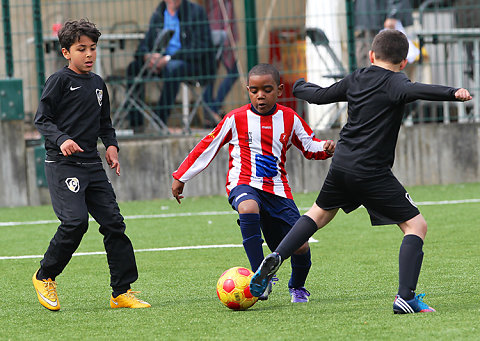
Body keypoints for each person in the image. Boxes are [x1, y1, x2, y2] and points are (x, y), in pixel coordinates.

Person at [250, 30, 472, 313]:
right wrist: (453, 92)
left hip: (341, 164)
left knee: (317, 214)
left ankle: (277, 256)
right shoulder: (397, 83)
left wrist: (299, 87)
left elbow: (319, 97)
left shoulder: (357, 77)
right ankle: (406, 297)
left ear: (371, 56)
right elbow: (418, 89)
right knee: (416, 226)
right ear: (403, 62)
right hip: (371, 172)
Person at [171, 63, 335, 303]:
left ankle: (297, 287)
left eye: (267, 89)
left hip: (278, 191)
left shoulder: (289, 118)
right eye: (254, 90)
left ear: (279, 90)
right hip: (244, 183)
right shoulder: (235, 118)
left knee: (301, 246)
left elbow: (310, 145)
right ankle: (261, 275)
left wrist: (325, 147)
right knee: (248, 207)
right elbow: (208, 145)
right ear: (247, 90)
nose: (260, 95)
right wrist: (181, 176)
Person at [33, 19, 150, 311]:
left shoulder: (98, 84)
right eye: (81, 48)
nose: (89, 54)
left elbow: (104, 124)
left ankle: (121, 292)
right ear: (66, 53)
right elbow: (42, 119)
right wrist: (61, 139)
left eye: (93, 48)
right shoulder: (58, 81)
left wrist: (111, 146)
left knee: (114, 223)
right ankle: (45, 275)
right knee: (75, 223)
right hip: (63, 164)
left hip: (92, 165)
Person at [126, 0, 216, 131]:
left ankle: (158, 122)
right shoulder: (159, 13)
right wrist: (147, 56)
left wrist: (168, 59)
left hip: (192, 64)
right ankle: (136, 125)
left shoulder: (196, 12)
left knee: (173, 68)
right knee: (133, 68)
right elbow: (145, 44)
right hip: (162, 63)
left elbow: (200, 47)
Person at [201, 0, 239, 117]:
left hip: (212, 32)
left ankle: (210, 112)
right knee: (232, 73)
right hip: (219, 33)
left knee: (211, 76)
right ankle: (213, 109)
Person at [354, 0, 414, 68]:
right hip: (362, 19)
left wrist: (393, 15)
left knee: (388, 57)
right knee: (363, 55)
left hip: (381, 21)